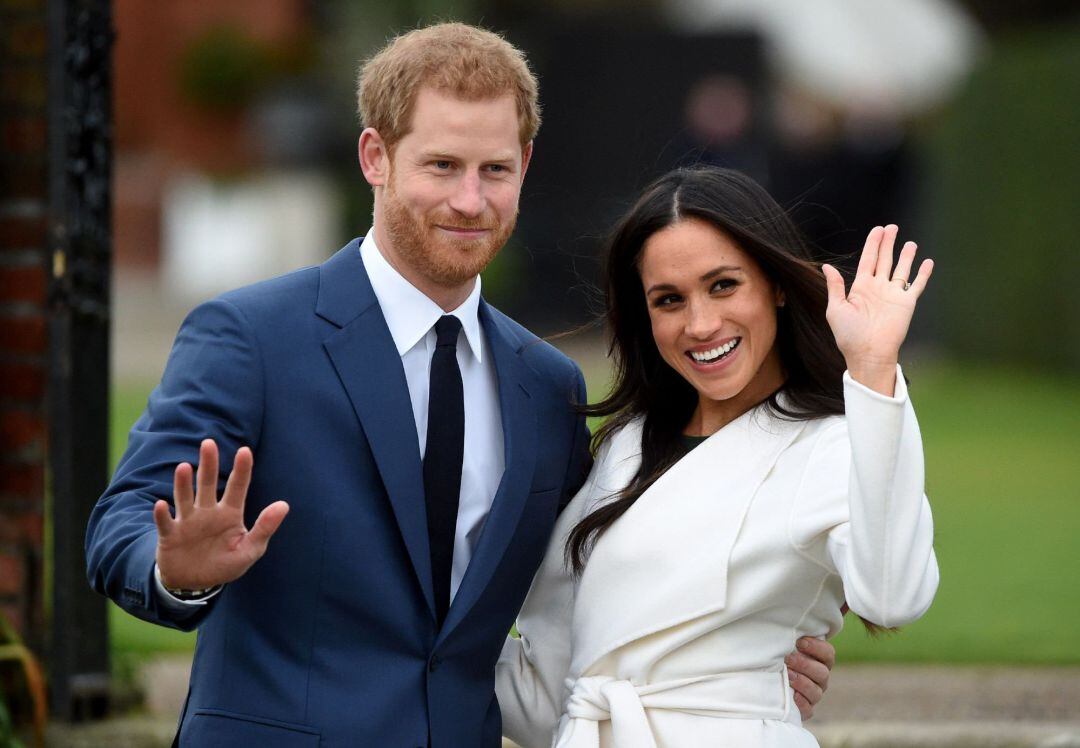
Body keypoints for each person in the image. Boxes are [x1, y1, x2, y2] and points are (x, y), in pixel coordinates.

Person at [85, 25, 834, 747]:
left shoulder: (547, 387)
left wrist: (743, 648)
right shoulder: (251, 337)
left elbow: (602, 576)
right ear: (375, 156)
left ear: (525, 166)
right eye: (442, 166)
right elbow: (120, 522)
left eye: (494, 170)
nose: (470, 201)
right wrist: (172, 572)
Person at [496, 166, 939, 747]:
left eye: (724, 285)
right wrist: (397, 646)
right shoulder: (624, 447)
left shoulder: (832, 443)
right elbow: (551, 688)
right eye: (669, 299)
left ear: (775, 284)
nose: (701, 324)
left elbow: (895, 596)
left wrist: (874, 370)